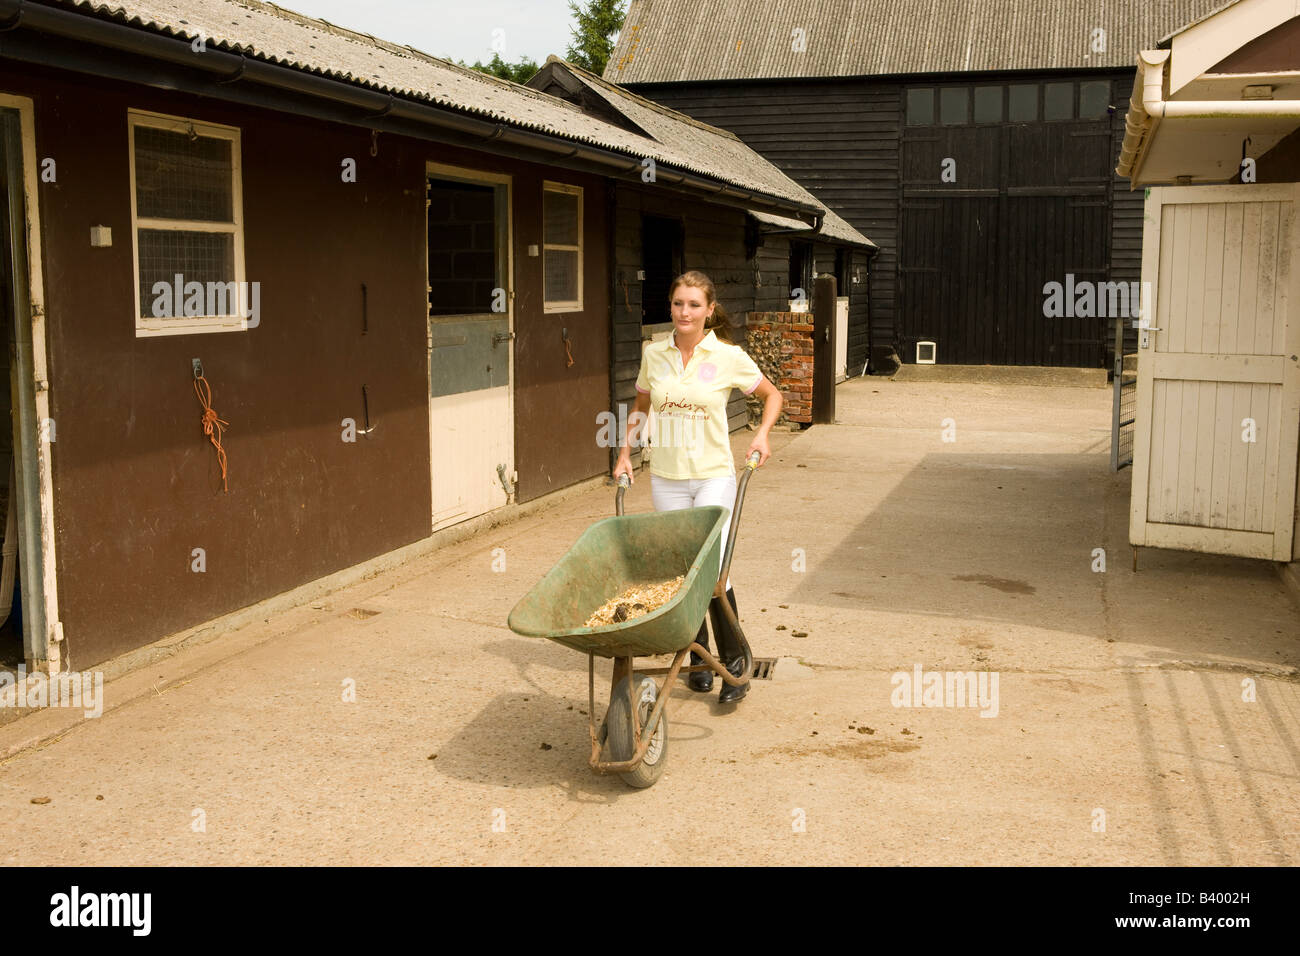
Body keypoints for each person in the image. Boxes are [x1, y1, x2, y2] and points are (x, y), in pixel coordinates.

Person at [613, 270, 783, 703]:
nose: (684, 312)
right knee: (680, 572)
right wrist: (623, 454)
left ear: (709, 310)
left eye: (693, 305)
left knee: (710, 571)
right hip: (667, 478)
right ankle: (698, 658)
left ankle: (735, 661)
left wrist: (762, 435)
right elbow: (641, 406)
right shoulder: (655, 354)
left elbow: (773, 395)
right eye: (677, 304)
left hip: (713, 474)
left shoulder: (727, 355)